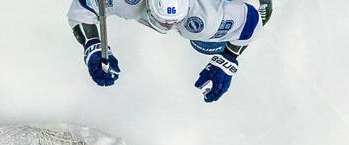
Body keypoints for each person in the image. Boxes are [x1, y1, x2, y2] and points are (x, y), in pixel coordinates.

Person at [68, 0, 272, 102]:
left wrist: (227, 59)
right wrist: (93, 47)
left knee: (206, 43)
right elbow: (83, 9)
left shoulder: (205, 16)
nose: (166, 27)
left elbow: (252, 24)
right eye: (162, 21)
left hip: (208, 14)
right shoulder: (127, 3)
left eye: (172, 22)